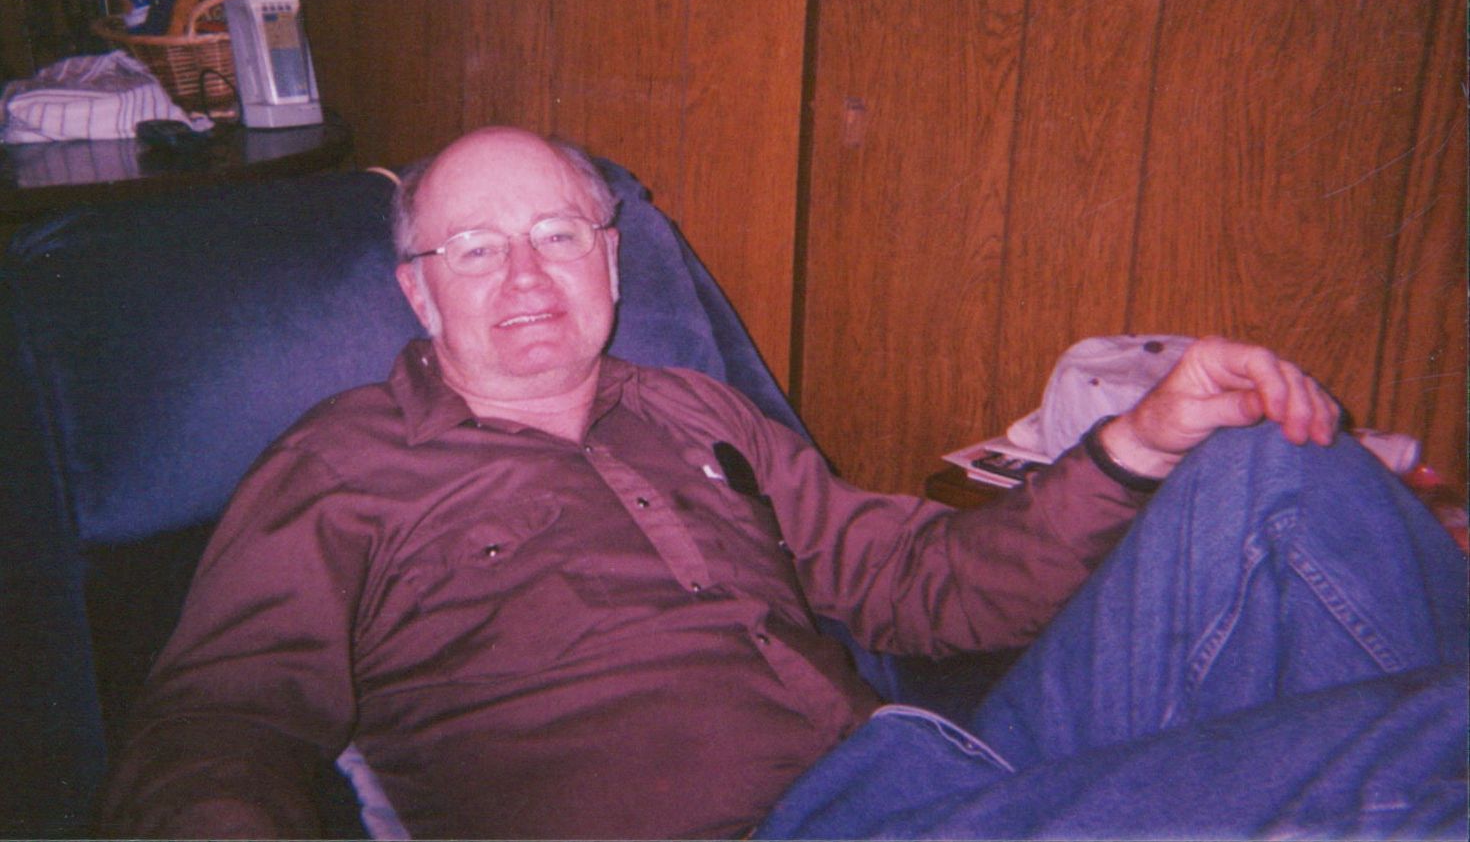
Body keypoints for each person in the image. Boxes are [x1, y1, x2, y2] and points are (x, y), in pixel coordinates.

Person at [98, 127, 1467, 839]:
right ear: (417, 291)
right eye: (472, 248)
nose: (524, 276)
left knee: (1276, 470)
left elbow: (927, 587)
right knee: (1418, 756)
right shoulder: (340, 468)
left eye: (559, 233)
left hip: (935, 775)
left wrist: (1139, 444)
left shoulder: (701, 413)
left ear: (611, 259)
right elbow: (216, 723)